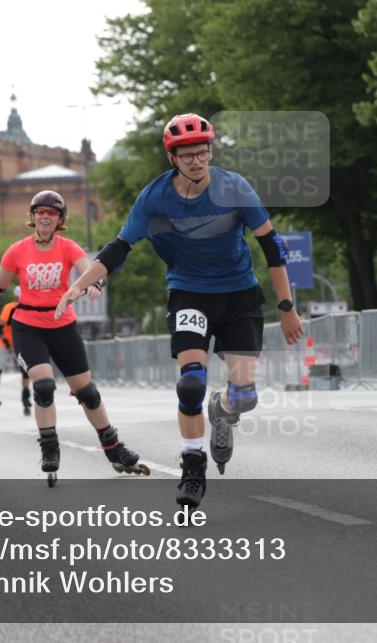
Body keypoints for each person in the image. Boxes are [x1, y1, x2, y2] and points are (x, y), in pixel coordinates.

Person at [63, 112, 304, 507]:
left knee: (244, 395)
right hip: (189, 293)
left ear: (210, 151)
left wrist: (287, 307)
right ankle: (193, 467)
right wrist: (78, 284)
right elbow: (119, 248)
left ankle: (223, 411)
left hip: (240, 295)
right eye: (187, 154)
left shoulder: (235, 188)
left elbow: (272, 247)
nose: (197, 160)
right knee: (190, 382)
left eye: (202, 152)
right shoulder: (154, 198)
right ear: (172, 158)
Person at [0, 190, 148, 485]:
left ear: (59, 220)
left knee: (87, 393)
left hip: (62, 325)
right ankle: (49, 448)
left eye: (51, 213)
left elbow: (90, 270)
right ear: (32, 216)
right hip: (28, 326)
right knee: (43, 385)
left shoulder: (68, 247)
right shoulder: (17, 251)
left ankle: (113, 447)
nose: (44, 216)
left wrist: (95, 285)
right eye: (39, 211)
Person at [0, 286, 32, 417]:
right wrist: (9, 345)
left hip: (21, 344)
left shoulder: (30, 307)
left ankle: (26, 398)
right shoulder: (9, 308)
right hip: (5, 344)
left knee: (25, 371)